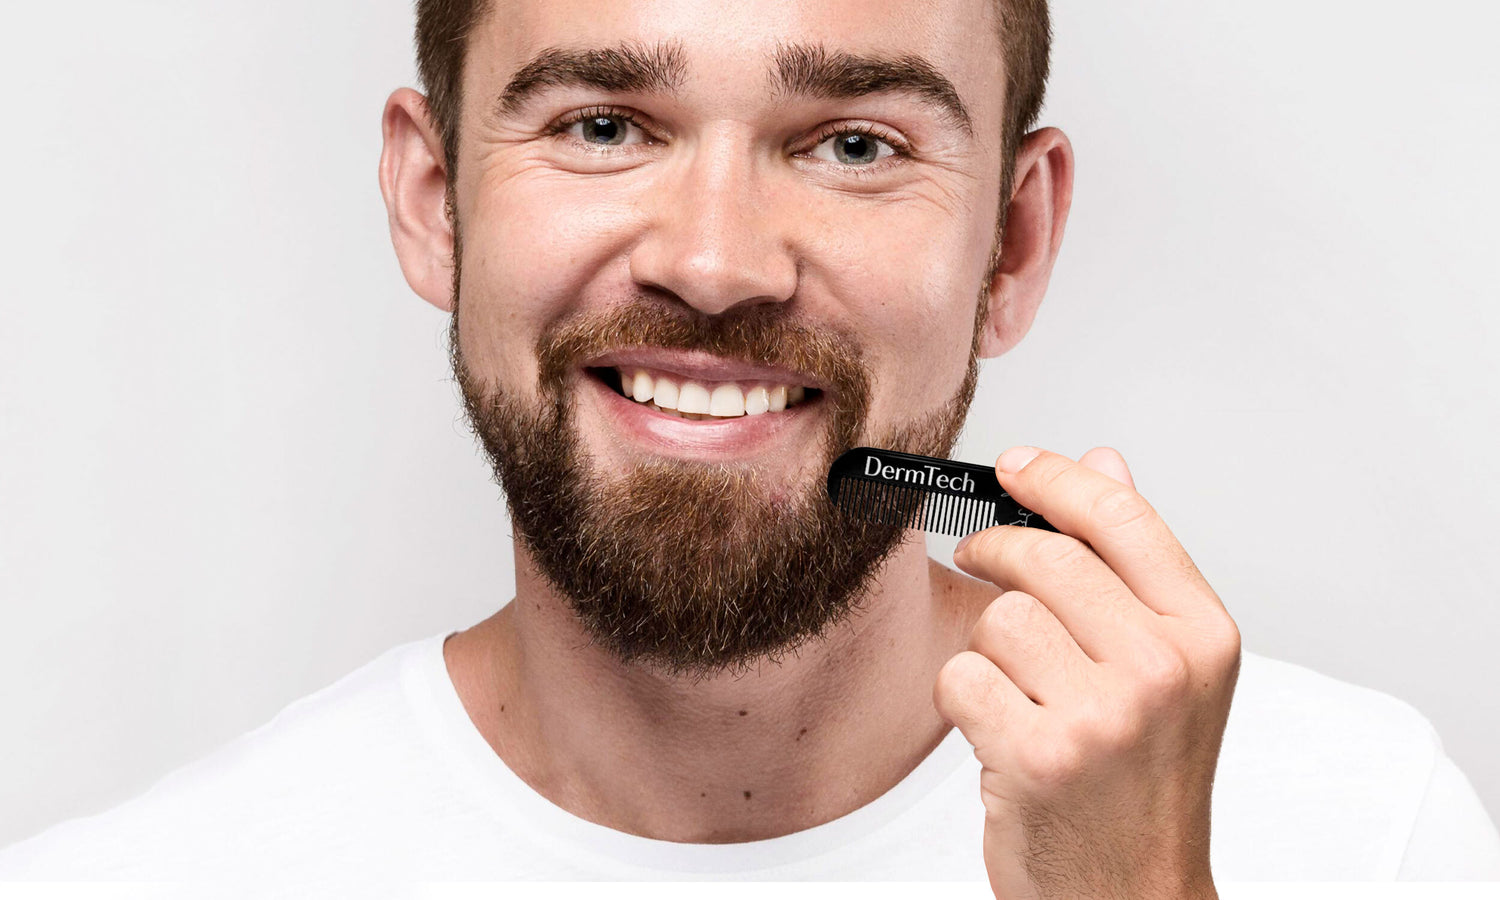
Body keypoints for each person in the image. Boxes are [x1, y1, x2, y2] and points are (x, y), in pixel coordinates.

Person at [4, 0, 1499, 891]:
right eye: (602, 126)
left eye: (855, 145)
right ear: (433, 201)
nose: (717, 265)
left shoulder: (1354, 831)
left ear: (1014, 243)